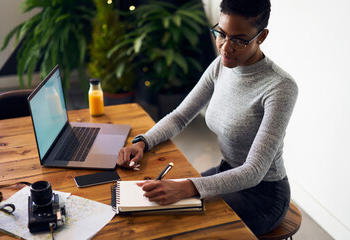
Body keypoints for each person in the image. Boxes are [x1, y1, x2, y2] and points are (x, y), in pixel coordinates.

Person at [117, 0, 298, 235]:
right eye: (221, 34)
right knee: (154, 204)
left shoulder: (280, 87)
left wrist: (187, 188)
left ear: (261, 37)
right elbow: (181, 115)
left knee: (183, 227)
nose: (225, 47)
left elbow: (254, 171)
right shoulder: (221, 66)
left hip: (263, 195)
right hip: (225, 171)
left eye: (239, 40)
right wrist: (143, 142)